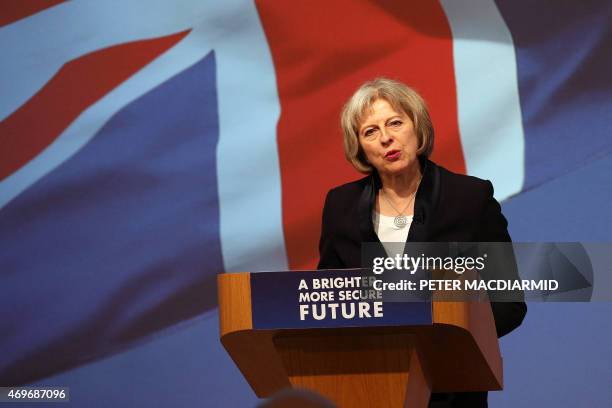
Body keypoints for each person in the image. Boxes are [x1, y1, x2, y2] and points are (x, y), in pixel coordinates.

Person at [317, 78, 527, 408]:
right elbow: (327, 303)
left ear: (417, 126)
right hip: (371, 390)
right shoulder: (339, 206)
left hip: (452, 389)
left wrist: (444, 344)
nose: (386, 137)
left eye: (395, 123)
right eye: (370, 132)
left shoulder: (469, 198)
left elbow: (508, 303)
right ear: (360, 148)